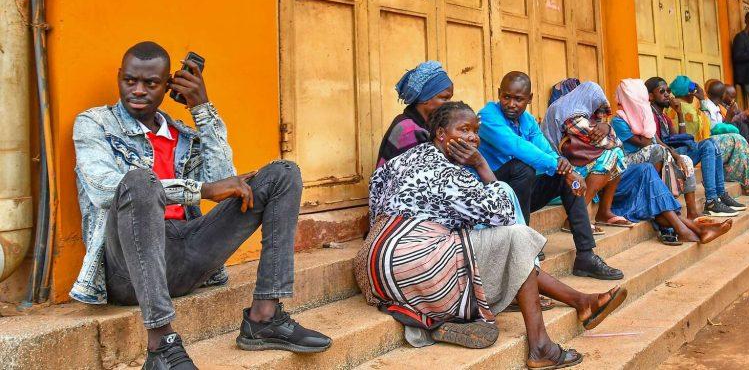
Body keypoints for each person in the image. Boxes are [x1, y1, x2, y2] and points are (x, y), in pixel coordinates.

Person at [71, 42, 330, 370]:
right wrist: (201, 190)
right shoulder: (94, 124)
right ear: (120, 78)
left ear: (168, 86)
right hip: (128, 269)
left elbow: (227, 183)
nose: (137, 90)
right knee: (139, 181)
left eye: (150, 84)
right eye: (129, 81)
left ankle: (264, 318)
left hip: (187, 254)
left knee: (283, 173)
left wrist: (202, 108)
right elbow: (104, 189)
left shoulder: (184, 137)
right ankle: (161, 345)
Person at [355, 101, 627, 366]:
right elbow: (504, 213)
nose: (473, 138)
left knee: (491, 242)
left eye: (475, 130)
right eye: (463, 130)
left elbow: (376, 196)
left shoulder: (404, 158)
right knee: (516, 237)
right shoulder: (449, 173)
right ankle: (542, 344)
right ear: (440, 134)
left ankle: (581, 301)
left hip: (372, 267)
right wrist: (482, 164)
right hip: (413, 266)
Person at [477, 72, 624, 281]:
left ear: (530, 99)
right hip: (490, 197)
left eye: (518, 99)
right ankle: (525, 244)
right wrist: (559, 165)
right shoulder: (488, 116)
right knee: (523, 167)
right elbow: (517, 147)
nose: (511, 104)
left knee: (564, 178)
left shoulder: (526, 120)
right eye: (506, 97)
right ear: (499, 94)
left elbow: (545, 148)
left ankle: (585, 255)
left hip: (518, 195)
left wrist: (564, 168)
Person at [646, 77, 746, 218]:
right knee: (707, 146)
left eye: (668, 91)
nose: (667, 94)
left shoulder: (664, 116)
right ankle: (711, 200)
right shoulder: (649, 114)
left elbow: (678, 139)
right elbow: (655, 142)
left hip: (675, 152)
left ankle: (720, 194)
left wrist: (680, 114)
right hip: (664, 158)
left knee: (711, 143)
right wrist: (676, 155)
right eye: (662, 91)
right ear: (650, 96)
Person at [541, 81, 630, 232]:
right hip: (556, 173)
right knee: (614, 155)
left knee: (614, 156)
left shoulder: (570, 107)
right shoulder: (571, 117)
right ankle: (574, 219)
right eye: (598, 109)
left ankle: (603, 212)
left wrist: (606, 127)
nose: (600, 115)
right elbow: (613, 143)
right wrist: (608, 129)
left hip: (564, 165)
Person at [609, 78, 702, 221]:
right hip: (627, 162)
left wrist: (677, 156)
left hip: (649, 155)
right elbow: (645, 142)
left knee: (686, 160)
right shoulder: (618, 120)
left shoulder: (642, 114)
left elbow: (658, 140)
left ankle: (692, 213)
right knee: (657, 151)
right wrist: (646, 114)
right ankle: (660, 201)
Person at [376, 61, 454, 168]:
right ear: (425, 98)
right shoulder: (408, 129)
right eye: (444, 98)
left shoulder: (424, 124)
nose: (450, 104)